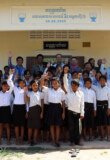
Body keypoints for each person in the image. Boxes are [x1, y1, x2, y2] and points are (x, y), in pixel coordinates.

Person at [41, 74, 65, 147]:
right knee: (51, 125)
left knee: (57, 126)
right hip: (51, 107)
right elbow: (41, 86)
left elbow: (63, 103)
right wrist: (43, 78)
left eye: (56, 83)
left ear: (58, 83)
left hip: (58, 108)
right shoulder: (49, 90)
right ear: (51, 84)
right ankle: (53, 140)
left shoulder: (62, 92)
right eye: (53, 83)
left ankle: (57, 140)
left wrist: (63, 112)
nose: (54, 84)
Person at [63, 69, 84, 146]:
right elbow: (65, 83)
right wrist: (65, 74)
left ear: (78, 86)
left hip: (78, 113)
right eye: (72, 85)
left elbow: (82, 104)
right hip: (70, 113)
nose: (73, 86)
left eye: (75, 85)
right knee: (71, 128)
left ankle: (77, 141)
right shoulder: (69, 92)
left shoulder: (81, 93)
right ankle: (72, 141)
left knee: (78, 128)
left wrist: (82, 113)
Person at [7, 69, 27, 145]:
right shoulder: (15, 89)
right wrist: (11, 74)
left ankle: (21, 139)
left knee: (22, 125)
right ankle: (17, 139)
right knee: (16, 125)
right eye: (21, 83)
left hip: (22, 108)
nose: (22, 84)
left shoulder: (26, 90)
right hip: (16, 108)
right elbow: (9, 82)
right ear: (18, 83)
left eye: (23, 83)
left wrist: (26, 111)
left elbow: (26, 102)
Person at [24, 80, 44, 145]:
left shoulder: (40, 93)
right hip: (31, 110)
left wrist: (42, 112)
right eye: (33, 85)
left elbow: (42, 104)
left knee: (36, 126)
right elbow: (26, 101)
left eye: (36, 85)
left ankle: (34, 139)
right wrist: (24, 93)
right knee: (30, 126)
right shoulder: (29, 93)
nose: (35, 87)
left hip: (38, 110)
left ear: (38, 86)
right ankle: (29, 140)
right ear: (31, 86)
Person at [92, 75, 110, 141]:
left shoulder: (108, 89)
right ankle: (102, 136)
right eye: (100, 80)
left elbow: (109, 99)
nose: (102, 81)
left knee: (107, 123)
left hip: (105, 105)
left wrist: (109, 108)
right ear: (99, 81)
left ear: (105, 81)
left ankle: (108, 136)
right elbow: (90, 84)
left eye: (103, 80)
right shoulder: (97, 88)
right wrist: (92, 75)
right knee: (100, 123)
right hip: (99, 106)